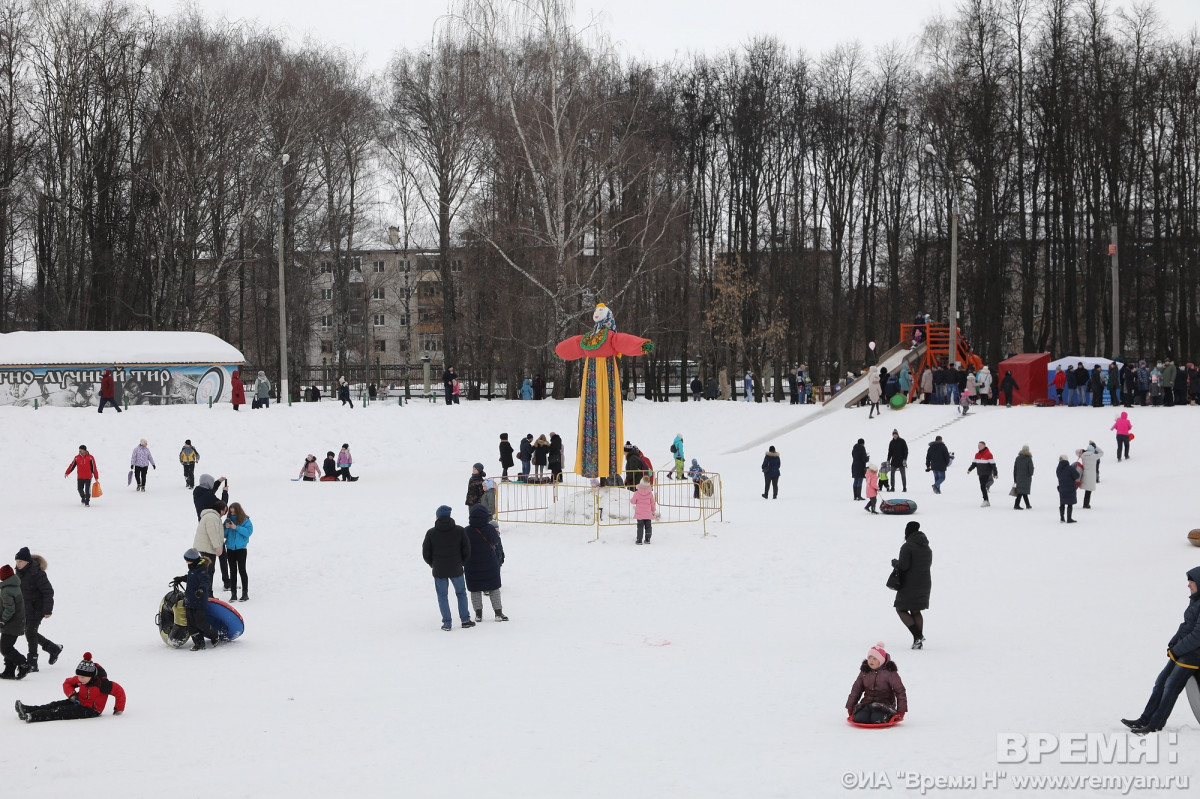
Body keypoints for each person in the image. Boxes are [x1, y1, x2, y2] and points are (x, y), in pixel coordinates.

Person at [1121, 567, 1200, 735]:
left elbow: (1197, 636)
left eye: (1191, 581)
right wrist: (1173, 644)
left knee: (1171, 686)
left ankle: (1155, 724)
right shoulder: (1196, 600)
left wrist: (1177, 650)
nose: (1188, 585)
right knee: (1161, 683)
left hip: (1193, 655)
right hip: (1181, 652)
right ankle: (1144, 719)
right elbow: (1185, 626)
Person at [15, 652, 125, 722]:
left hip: (91, 710)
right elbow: (67, 683)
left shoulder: (103, 684)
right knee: (55, 705)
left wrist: (118, 710)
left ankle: (33, 716)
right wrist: (72, 695)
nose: (80, 679)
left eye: (83, 677)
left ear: (91, 676)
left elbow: (119, 692)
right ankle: (27, 709)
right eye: (79, 676)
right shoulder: (82, 679)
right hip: (79, 701)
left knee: (60, 711)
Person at [422, 506, 475, 631]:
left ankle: (447, 623)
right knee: (461, 593)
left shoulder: (431, 533)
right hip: (456, 568)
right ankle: (465, 620)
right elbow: (467, 550)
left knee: (442, 596)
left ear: (437, 516)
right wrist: (461, 562)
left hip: (439, 570)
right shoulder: (460, 531)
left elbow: (426, 553)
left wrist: (433, 564)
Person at [14, 548, 61, 672]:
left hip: (38, 609)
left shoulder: (37, 573)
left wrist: (47, 610)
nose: (18, 564)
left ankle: (32, 663)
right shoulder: (18, 573)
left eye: (20, 561)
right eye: (17, 561)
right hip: (25, 608)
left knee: (30, 631)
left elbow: (48, 591)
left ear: (27, 562)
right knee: (29, 632)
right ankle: (53, 648)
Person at [464, 504, 507, 622]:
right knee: (494, 588)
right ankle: (498, 613)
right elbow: (496, 541)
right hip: (490, 564)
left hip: (472, 565)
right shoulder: (489, 529)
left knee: (475, 590)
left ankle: (478, 614)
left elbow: (462, 546)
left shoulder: (466, 530)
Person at [845, 642, 908, 724]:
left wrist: (901, 711)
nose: (871, 661)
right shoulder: (865, 672)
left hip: (885, 704)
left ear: (881, 660)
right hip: (867, 703)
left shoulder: (889, 672)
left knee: (877, 719)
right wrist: (850, 707)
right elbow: (856, 690)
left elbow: (900, 691)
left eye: (874, 659)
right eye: (870, 658)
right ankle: (866, 713)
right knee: (860, 718)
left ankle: (885, 716)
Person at [893, 521, 932, 648]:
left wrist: (895, 563)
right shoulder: (927, 547)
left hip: (910, 583)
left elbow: (904, 566)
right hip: (925, 582)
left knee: (900, 609)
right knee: (916, 611)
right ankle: (917, 641)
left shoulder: (907, 546)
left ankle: (918, 636)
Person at [178, 549, 219, 650]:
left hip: (199, 601)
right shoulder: (193, 568)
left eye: (187, 560)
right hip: (189, 600)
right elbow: (192, 577)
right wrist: (182, 578)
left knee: (200, 623)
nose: (186, 562)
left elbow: (205, 581)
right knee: (191, 624)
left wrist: (201, 590)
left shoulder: (202, 570)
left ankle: (215, 635)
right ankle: (198, 643)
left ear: (193, 560)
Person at [0, 563, 30, 679]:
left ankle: (24, 664)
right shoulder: (14, 586)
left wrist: (3, 620)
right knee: (7, 646)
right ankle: (9, 670)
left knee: (5, 647)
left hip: (12, 623)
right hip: (16, 621)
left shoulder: (7, 590)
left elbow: (10, 609)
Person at [194, 500, 227, 593]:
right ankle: (208, 593)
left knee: (207, 570)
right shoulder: (212, 517)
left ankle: (206, 592)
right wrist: (217, 547)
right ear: (221, 509)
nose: (224, 514)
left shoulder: (210, 516)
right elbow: (213, 533)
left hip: (205, 546)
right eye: (224, 511)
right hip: (207, 548)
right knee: (209, 570)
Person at [223, 503, 253, 602]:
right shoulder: (228, 520)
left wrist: (236, 528)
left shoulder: (245, 520)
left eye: (234, 511)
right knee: (232, 571)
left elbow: (248, 532)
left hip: (241, 549)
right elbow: (224, 535)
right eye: (231, 512)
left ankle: (245, 593)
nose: (232, 513)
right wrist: (226, 528)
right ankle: (233, 594)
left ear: (238, 510)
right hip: (230, 549)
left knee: (242, 570)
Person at [966, 441, 998, 506]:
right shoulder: (977, 455)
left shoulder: (989, 454)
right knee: (982, 486)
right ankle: (987, 501)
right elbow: (974, 464)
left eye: (980, 445)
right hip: (980, 473)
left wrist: (995, 473)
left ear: (984, 446)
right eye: (978, 445)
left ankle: (985, 500)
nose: (979, 447)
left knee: (982, 486)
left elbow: (993, 465)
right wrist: (969, 469)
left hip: (986, 473)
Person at [630, 477, 657, 545]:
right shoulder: (650, 493)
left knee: (640, 526)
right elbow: (652, 503)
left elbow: (633, 502)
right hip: (648, 513)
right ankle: (647, 539)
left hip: (640, 513)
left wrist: (631, 500)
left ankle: (639, 540)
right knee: (648, 526)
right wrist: (653, 510)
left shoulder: (637, 493)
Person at [1056, 455, 1079, 523]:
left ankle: (1062, 518)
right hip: (1070, 487)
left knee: (1062, 502)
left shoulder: (1058, 469)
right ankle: (1069, 518)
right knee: (1070, 503)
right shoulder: (1070, 468)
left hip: (1062, 487)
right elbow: (1077, 476)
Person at [1079, 443, 1102, 509]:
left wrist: (1083, 450)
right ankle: (1086, 504)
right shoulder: (1094, 456)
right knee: (1089, 491)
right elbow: (1101, 452)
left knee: (1086, 490)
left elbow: (1076, 451)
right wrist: (1095, 446)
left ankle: (1085, 504)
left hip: (1084, 474)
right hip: (1091, 475)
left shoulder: (1083, 455)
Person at [1012, 445, 1034, 510]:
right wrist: (1031, 473)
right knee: (1022, 491)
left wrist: (1015, 478)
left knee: (1022, 491)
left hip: (1018, 477)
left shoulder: (1017, 458)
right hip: (1026, 478)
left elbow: (1015, 469)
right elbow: (1031, 469)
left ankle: (1028, 504)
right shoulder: (1029, 459)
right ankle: (1016, 505)